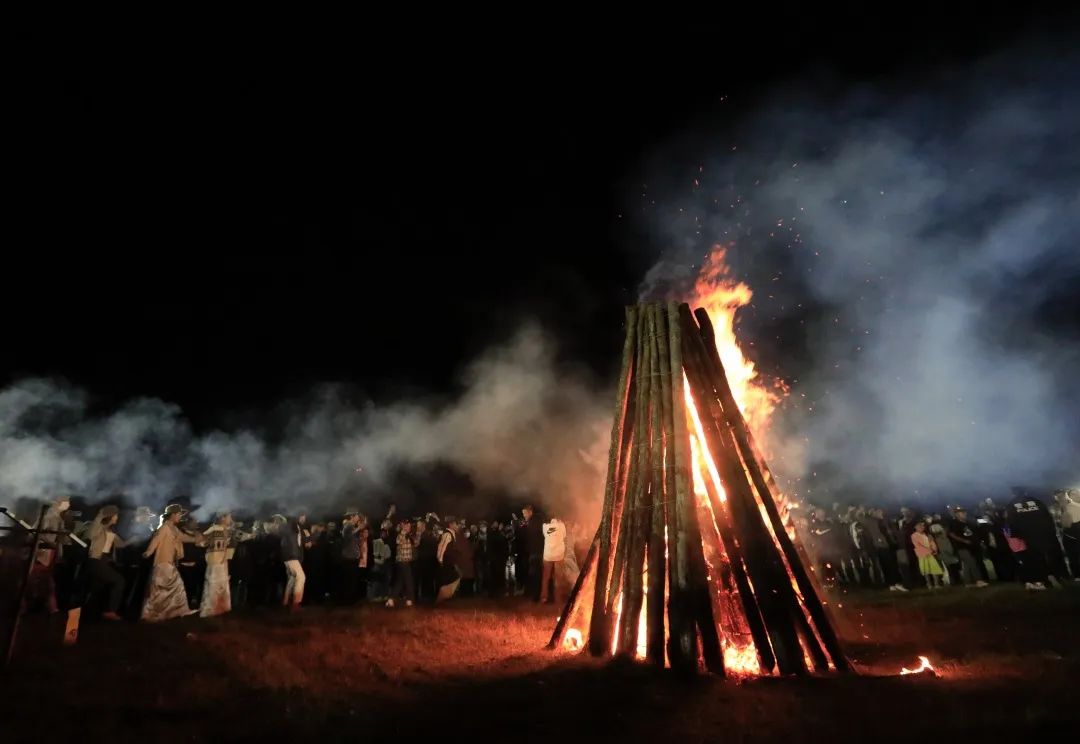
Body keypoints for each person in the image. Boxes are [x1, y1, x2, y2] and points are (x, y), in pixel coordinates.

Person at [142, 504, 202, 621]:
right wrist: (148, 552)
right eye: (179, 514)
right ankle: (153, 614)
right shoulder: (165, 528)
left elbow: (183, 537)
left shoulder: (174, 528)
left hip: (170, 562)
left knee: (176, 587)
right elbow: (156, 540)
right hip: (162, 562)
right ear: (173, 515)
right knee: (161, 590)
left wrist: (196, 539)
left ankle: (178, 611)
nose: (180, 517)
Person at [82, 504, 129, 620]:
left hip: (103, 560)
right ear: (111, 516)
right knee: (119, 581)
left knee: (97, 587)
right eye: (116, 515)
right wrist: (100, 515)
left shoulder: (110, 530)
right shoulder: (99, 527)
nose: (117, 517)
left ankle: (88, 612)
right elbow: (90, 535)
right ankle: (110, 611)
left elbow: (120, 544)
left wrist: (134, 539)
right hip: (96, 559)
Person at [199, 512, 248, 617]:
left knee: (221, 584)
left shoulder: (229, 530)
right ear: (222, 518)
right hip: (214, 561)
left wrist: (252, 534)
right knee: (213, 585)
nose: (231, 519)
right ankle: (209, 610)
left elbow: (241, 536)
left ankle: (220, 609)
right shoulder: (214, 529)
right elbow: (201, 542)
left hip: (223, 561)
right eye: (229, 517)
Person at [946, 507, 988, 587]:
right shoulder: (954, 523)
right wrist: (964, 541)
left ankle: (967, 582)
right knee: (972, 562)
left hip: (971, 546)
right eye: (962, 513)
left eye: (964, 512)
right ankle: (978, 580)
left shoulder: (967, 523)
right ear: (957, 515)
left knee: (967, 565)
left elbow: (974, 533)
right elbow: (952, 534)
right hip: (961, 547)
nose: (964, 514)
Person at [278, 514, 306, 610]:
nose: (304, 518)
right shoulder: (291, 526)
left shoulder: (297, 527)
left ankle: (285, 602)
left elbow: (300, 542)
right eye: (302, 516)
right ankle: (296, 602)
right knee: (301, 577)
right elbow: (288, 541)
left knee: (292, 579)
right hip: (291, 556)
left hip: (291, 556)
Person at [386, 520, 416, 608]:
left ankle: (390, 599)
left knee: (400, 582)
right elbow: (398, 541)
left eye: (410, 527)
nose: (409, 528)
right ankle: (409, 600)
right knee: (409, 580)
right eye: (408, 526)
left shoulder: (408, 535)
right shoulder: (401, 535)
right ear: (404, 526)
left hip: (403, 561)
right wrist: (403, 531)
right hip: (403, 561)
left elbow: (416, 543)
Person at [541, 515, 566, 604]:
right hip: (559, 554)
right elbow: (564, 536)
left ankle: (544, 597)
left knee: (546, 577)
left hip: (548, 555)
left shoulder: (544, 526)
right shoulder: (561, 525)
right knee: (558, 577)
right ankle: (558, 598)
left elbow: (545, 536)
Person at [521, 505, 545, 601]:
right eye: (523, 514)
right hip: (535, 551)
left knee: (535, 574)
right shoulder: (535, 521)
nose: (524, 515)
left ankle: (535, 595)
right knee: (535, 573)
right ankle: (535, 594)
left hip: (536, 552)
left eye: (525, 513)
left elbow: (533, 538)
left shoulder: (533, 523)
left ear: (530, 512)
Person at [911, 521, 944, 590]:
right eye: (920, 526)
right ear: (916, 527)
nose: (922, 527)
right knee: (926, 570)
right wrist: (929, 550)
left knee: (935, 569)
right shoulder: (914, 535)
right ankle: (929, 584)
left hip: (931, 554)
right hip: (922, 555)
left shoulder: (928, 535)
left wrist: (935, 549)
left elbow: (932, 542)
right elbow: (917, 545)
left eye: (923, 526)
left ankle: (936, 584)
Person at [436, 517, 462, 602]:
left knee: (452, 577)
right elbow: (441, 547)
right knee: (452, 577)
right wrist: (440, 559)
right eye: (456, 524)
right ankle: (443, 597)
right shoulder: (447, 534)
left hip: (448, 560)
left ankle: (446, 596)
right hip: (446, 560)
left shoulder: (451, 533)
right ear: (451, 525)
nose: (457, 526)